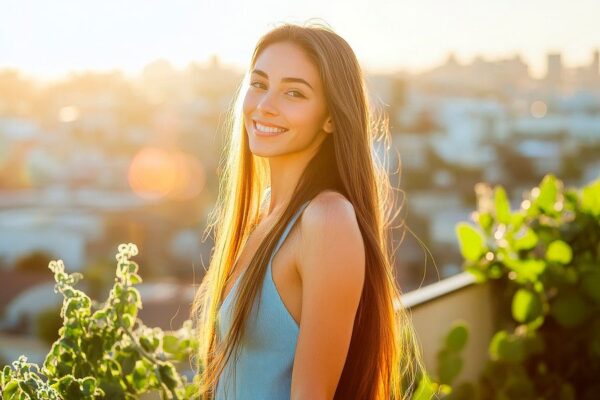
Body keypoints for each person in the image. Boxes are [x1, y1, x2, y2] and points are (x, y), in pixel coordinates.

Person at [191, 21, 426, 400]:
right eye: (259, 84)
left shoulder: (326, 219)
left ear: (331, 117)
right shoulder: (265, 213)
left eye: (294, 93)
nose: (265, 106)